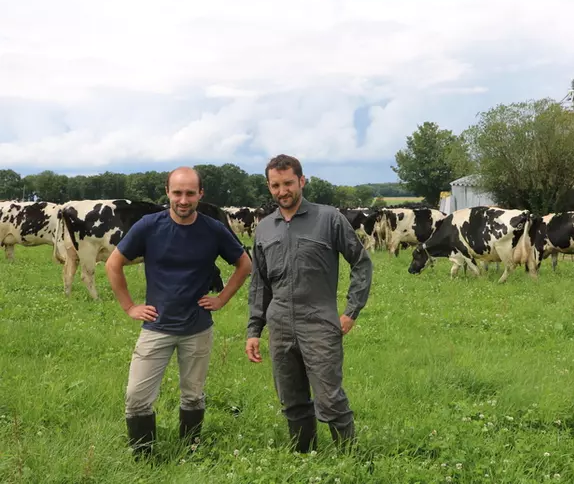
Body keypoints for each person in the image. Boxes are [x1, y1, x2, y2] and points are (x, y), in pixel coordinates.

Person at [105, 166, 252, 458]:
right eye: (177, 193)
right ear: (167, 193)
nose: (183, 200)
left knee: (193, 395)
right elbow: (113, 263)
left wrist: (221, 299)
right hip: (156, 328)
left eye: (189, 193)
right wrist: (130, 306)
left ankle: (190, 450)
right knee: (136, 397)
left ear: (200, 194)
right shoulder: (149, 225)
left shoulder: (213, 229)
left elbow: (244, 264)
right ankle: (144, 457)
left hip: (197, 328)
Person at [245, 154, 373, 453]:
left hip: (319, 323)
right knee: (291, 399)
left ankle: (349, 457)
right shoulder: (264, 228)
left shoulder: (328, 219)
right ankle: (304, 454)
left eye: (288, 183)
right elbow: (259, 283)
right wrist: (254, 329)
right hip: (280, 326)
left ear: (301, 181)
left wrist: (351, 311)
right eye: (275, 185)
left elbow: (361, 262)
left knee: (330, 397)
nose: (282, 191)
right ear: (269, 187)